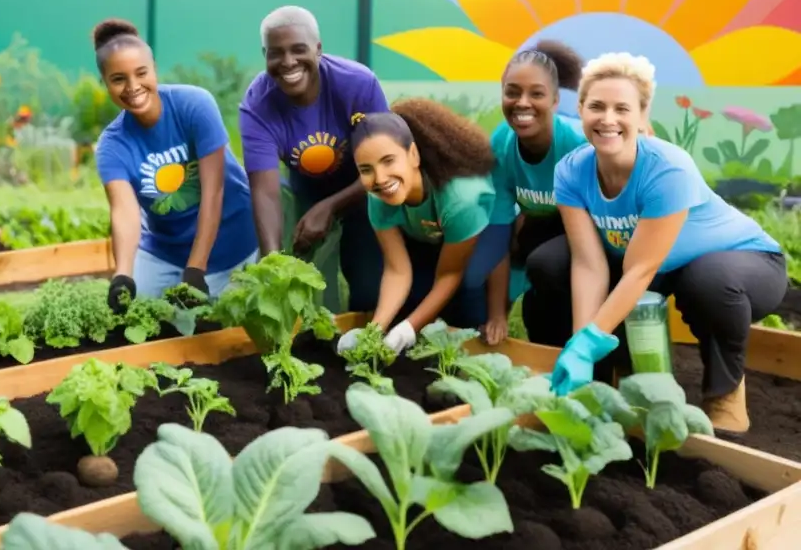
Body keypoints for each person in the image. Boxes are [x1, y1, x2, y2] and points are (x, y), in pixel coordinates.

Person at [527, 51, 787, 433]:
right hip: (657, 264)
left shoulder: (667, 168)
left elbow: (641, 268)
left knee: (707, 280)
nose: (608, 119)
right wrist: (581, 342)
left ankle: (725, 392)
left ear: (642, 116)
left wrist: (589, 339)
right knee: (549, 263)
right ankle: (599, 381)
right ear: (580, 109)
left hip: (743, 265)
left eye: (622, 108)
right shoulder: (571, 170)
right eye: (596, 106)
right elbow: (589, 263)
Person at [93, 19, 258, 306]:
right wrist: (123, 275)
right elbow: (125, 212)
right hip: (165, 251)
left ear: (154, 68)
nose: (132, 87)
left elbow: (214, 191)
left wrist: (195, 269)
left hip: (235, 242)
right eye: (118, 79)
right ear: (105, 83)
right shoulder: (112, 144)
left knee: (221, 327)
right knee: (137, 315)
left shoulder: (194, 105)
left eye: (141, 73)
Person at [238, 5, 390, 310]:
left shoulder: (357, 83)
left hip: (365, 188)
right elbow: (265, 193)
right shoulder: (257, 106)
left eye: (298, 49)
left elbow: (385, 164)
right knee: (310, 298)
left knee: (368, 293)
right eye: (276, 53)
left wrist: (332, 206)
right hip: (305, 190)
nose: (288, 61)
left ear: (318, 50)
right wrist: (272, 261)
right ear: (265, 54)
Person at [335, 100, 506, 355]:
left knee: (466, 313)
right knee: (405, 301)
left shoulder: (461, 197)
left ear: (413, 155)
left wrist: (408, 329)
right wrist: (375, 331)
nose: (380, 178)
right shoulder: (378, 194)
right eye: (366, 169)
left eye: (389, 161)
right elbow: (397, 269)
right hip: (430, 237)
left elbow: (449, 274)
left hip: (479, 242)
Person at [488, 40, 587, 345]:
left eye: (537, 94)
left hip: (589, 231)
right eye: (512, 92)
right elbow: (497, 234)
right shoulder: (502, 143)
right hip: (538, 228)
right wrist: (496, 315)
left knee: (546, 265)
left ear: (556, 101)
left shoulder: (578, 144)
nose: (522, 103)